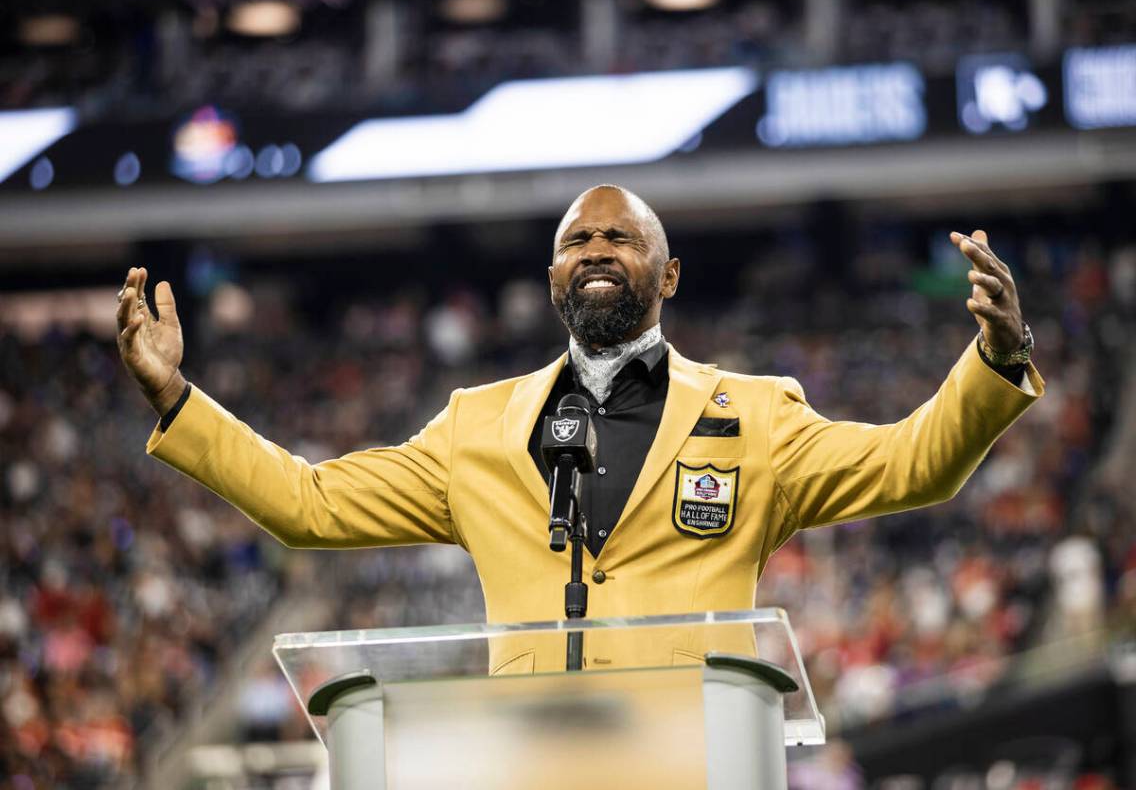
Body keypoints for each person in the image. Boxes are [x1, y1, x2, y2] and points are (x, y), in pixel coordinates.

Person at [116, 185, 1043, 673]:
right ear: (553, 277)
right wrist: (177, 399)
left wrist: (996, 360)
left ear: (668, 275)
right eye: (576, 242)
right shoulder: (474, 427)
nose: (596, 251)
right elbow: (307, 504)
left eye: (620, 239)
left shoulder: (758, 417)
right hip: (530, 757)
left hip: (699, 757)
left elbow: (914, 463)